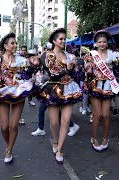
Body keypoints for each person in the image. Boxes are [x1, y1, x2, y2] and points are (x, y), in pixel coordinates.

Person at [0, 32, 39, 164]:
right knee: (4, 127)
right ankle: (8, 144)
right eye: (12, 43)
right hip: (3, 91)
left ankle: (9, 150)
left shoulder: (22, 60)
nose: (15, 45)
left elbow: (28, 73)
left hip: (18, 91)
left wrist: (33, 65)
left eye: (16, 43)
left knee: (13, 125)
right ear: (5, 45)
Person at [37, 28, 82, 163]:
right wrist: (67, 69)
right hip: (53, 89)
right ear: (54, 41)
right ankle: (56, 141)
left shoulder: (70, 56)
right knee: (54, 122)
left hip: (68, 88)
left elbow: (74, 75)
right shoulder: (47, 55)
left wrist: (76, 69)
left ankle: (60, 149)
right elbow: (52, 75)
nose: (63, 41)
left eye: (64, 39)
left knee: (66, 120)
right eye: (60, 39)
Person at [84, 30, 119, 152]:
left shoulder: (113, 55)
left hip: (108, 87)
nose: (102, 44)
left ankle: (106, 139)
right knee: (97, 114)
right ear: (96, 43)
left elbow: (117, 71)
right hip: (96, 86)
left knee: (106, 115)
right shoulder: (91, 55)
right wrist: (88, 68)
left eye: (104, 42)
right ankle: (94, 139)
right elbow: (86, 70)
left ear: (107, 43)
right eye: (99, 42)